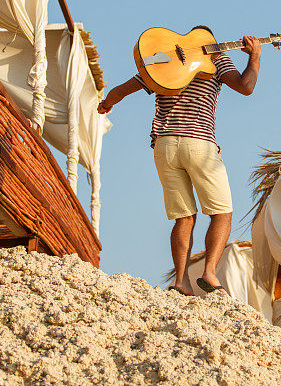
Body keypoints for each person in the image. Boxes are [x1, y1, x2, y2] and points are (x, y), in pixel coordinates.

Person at [97, 25, 261, 296]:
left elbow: (121, 91)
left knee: (184, 217)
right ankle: (209, 272)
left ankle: (181, 281)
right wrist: (254, 55)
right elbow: (246, 86)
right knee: (222, 213)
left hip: (164, 145)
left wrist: (107, 104)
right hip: (200, 143)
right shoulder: (218, 58)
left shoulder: (165, 61)